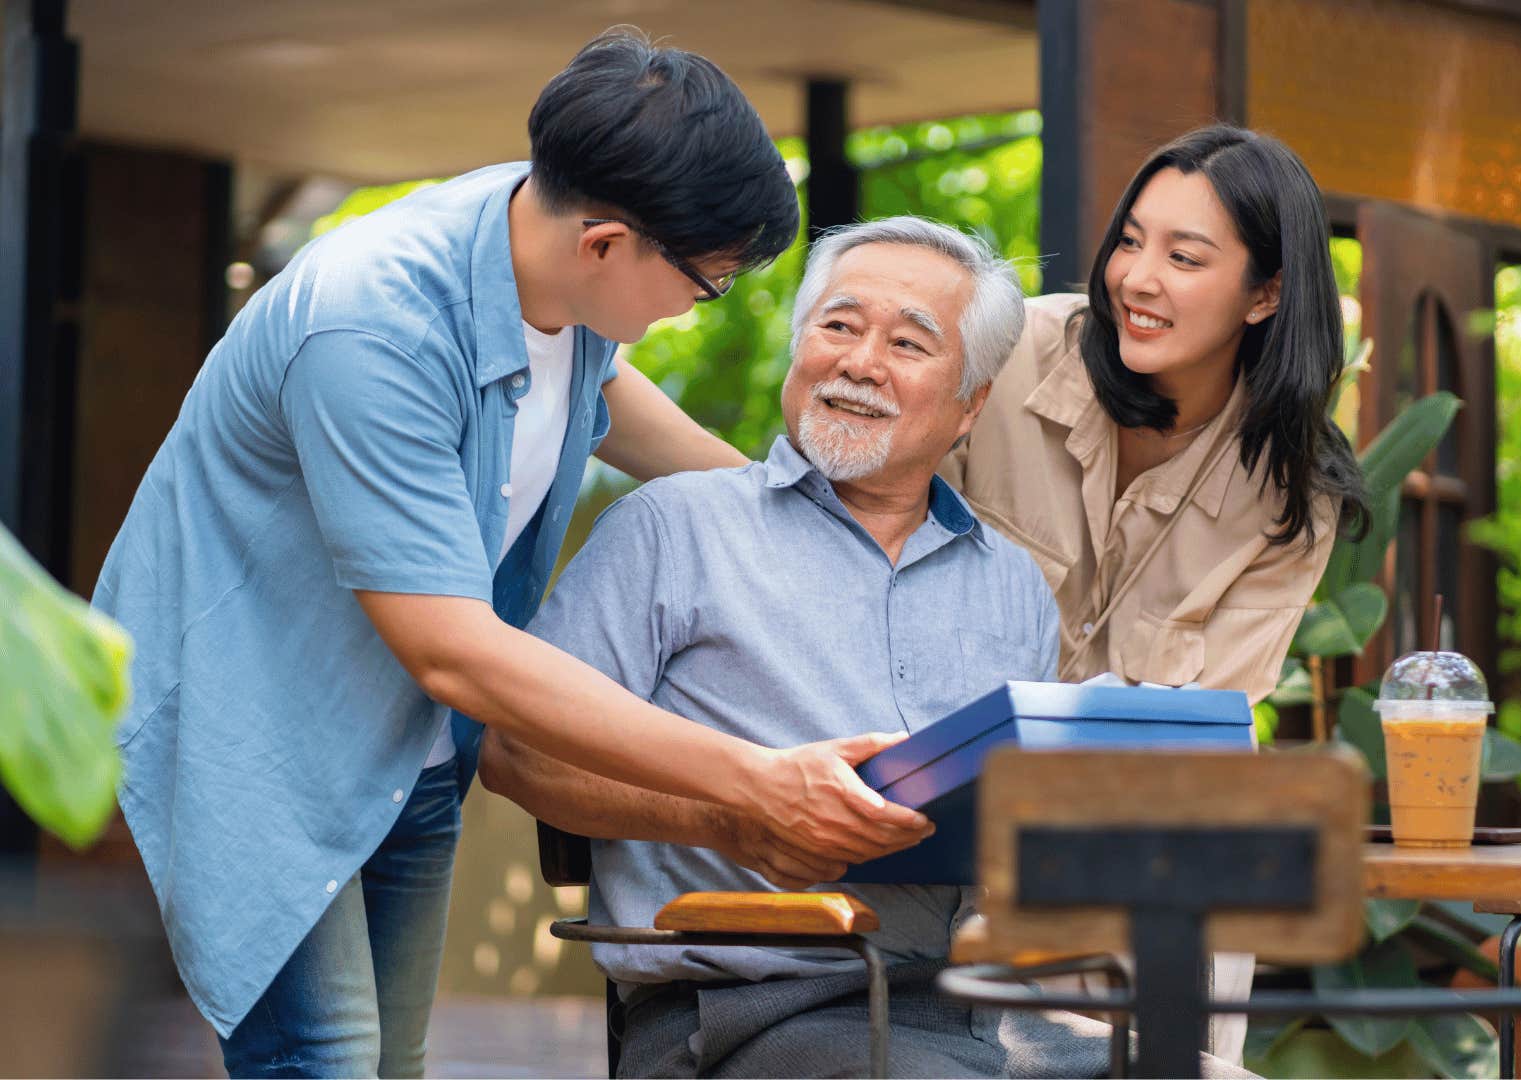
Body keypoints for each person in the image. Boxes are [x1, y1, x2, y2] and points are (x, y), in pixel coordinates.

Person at [94, 30, 928, 1077]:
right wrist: (756, 782)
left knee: (392, 1063)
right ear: (606, 244)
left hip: (407, 741)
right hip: (262, 721)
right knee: (326, 1061)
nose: (693, 307)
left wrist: (787, 516)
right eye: (705, 283)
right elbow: (456, 652)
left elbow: (602, 391)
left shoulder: (540, 232)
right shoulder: (373, 329)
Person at [480, 217, 1254, 1078]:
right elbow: (516, 753)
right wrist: (733, 821)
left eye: (909, 343)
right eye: (838, 326)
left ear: (972, 403)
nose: (860, 362)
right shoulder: (675, 527)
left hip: (971, 1012)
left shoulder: (1010, 586)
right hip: (741, 1012)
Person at [938, 124, 1370, 1063]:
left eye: (1184, 256)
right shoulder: (1012, 354)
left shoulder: (1294, 494)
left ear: (1268, 293)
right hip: (943, 804)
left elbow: (1206, 726)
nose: (1137, 277)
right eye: (1131, 240)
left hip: (1134, 833)